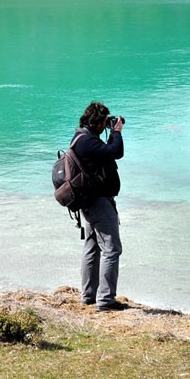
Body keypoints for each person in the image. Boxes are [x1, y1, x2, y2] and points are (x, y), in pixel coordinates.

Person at [72, 101, 128, 312]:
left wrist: (112, 131)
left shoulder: (81, 138)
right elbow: (116, 151)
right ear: (97, 122)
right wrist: (117, 131)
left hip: (89, 202)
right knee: (112, 249)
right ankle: (105, 300)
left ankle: (89, 296)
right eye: (105, 122)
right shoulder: (88, 142)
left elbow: (108, 152)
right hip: (98, 202)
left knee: (93, 247)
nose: (107, 125)